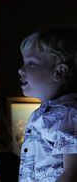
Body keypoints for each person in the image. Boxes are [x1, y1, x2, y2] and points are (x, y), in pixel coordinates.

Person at [18, 25, 77, 182]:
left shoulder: (69, 115)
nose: (20, 70)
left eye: (30, 63)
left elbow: (72, 173)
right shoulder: (54, 113)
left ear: (59, 72)